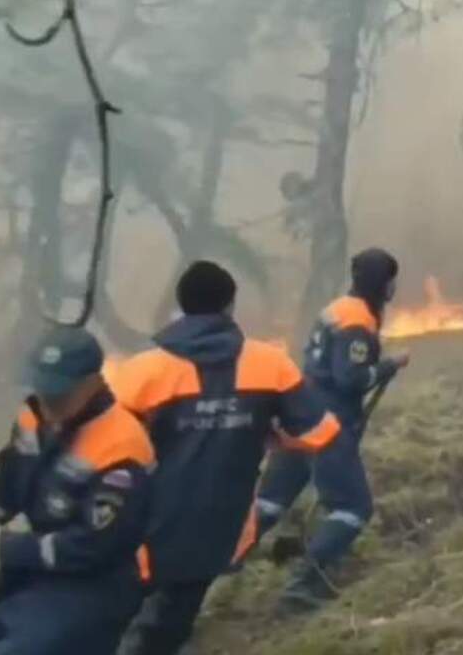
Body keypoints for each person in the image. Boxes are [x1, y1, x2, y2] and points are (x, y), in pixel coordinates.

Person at [110, 261, 340, 655]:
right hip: (221, 528)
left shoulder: (139, 372)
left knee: (116, 624)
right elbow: (321, 432)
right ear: (232, 306)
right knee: (169, 628)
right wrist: (274, 437)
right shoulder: (271, 363)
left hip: (145, 530)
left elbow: (105, 450)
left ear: (180, 308)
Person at [0, 327, 155, 655]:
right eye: (43, 388)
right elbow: (8, 480)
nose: (48, 401)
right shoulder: (34, 417)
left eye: (60, 393)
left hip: (93, 584)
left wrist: (2, 547)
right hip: (33, 570)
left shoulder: (122, 447)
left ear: (92, 383)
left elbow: (93, 547)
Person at [253, 248, 408, 614]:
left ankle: (212, 567)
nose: (394, 287)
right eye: (392, 280)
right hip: (328, 424)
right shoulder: (357, 323)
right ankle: (304, 583)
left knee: (270, 503)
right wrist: (388, 366)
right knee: (353, 507)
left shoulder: (336, 309)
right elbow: (350, 379)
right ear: (381, 283)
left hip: (300, 416)